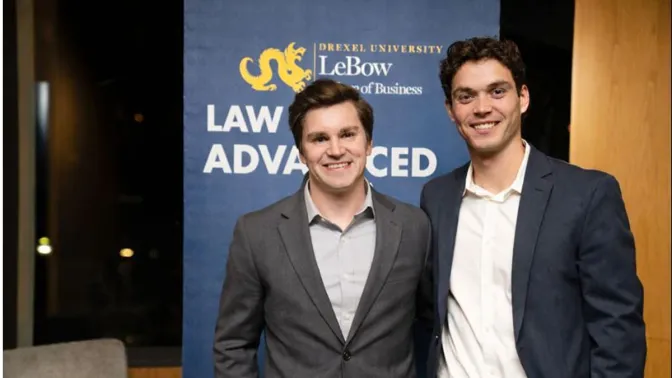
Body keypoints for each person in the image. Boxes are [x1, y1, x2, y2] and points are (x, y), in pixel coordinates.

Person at [420, 37, 646, 378]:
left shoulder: (587, 195)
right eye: (466, 96)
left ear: (522, 98)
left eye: (497, 92)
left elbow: (618, 332)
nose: (482, 108)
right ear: (451, 110)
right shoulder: (436, 198)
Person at [214, 78, 433, 378]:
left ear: (368, 143)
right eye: (319, 139)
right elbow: (233, 345)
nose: (336, 150)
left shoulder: (414, 226)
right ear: (302, 152)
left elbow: (438, 327)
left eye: (347, 134)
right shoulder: (256, 233)